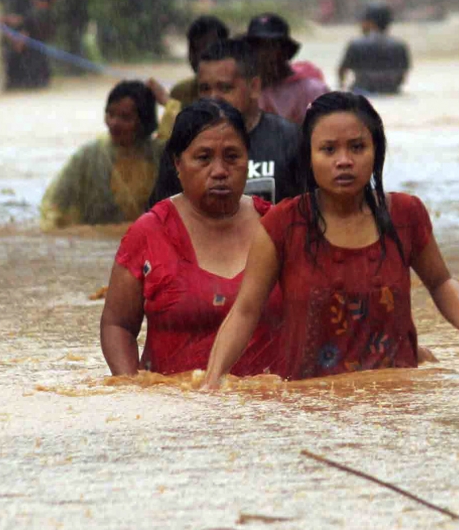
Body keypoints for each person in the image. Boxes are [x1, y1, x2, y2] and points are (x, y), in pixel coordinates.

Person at [204, 92, 459, 386]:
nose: (344, 161)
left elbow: (441, 282)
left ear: (376, 151)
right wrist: (212, 381)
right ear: (309, 157)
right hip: (310, 406)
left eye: (357, 147)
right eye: (328, 150)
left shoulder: (406, 215)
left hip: (398, 402)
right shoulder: (282, 225)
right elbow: (245, 310)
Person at [101, 100, 284, 377]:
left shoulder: (277, 228)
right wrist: (129, 388)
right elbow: (118, 325)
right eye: (203, 158)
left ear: (249, 160)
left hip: (265, 410)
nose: (220, 171)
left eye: (232, 157)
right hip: (173, 409)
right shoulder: (149, 233)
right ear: (178, 163)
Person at [148, 38, 300, 206]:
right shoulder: (182, 145)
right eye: (205, 89)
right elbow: (162, 218)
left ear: (254, 87)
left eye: (225, 88)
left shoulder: (290, 140)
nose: (213, 98)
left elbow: (308, 216)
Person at [39, 81, 164, 229]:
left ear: (144, 121)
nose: (114, 123)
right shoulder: (89, 156)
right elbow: (55, 206)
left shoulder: (160, 155)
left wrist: (169, 103)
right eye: (110, 114)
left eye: (125, 117)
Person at [244, 13, 328, 127]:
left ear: (285, 51)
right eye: (257, 47)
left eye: (271, 47)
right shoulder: (243, 91)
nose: (263, 55)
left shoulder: (313, 91)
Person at [337, 4, 411, 95]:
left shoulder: (355, 44)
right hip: (391, 91)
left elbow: (342, 71)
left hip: (362, 91)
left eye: (363, 21)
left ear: (370, 23)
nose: (361, 24)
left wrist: (341, 86)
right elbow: (402, 76)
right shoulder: (400, 46)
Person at [168, 15, 231, 107]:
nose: (199, 57)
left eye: (207, 49)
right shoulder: (179, 93)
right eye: (194, 49)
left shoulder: (238, 93)